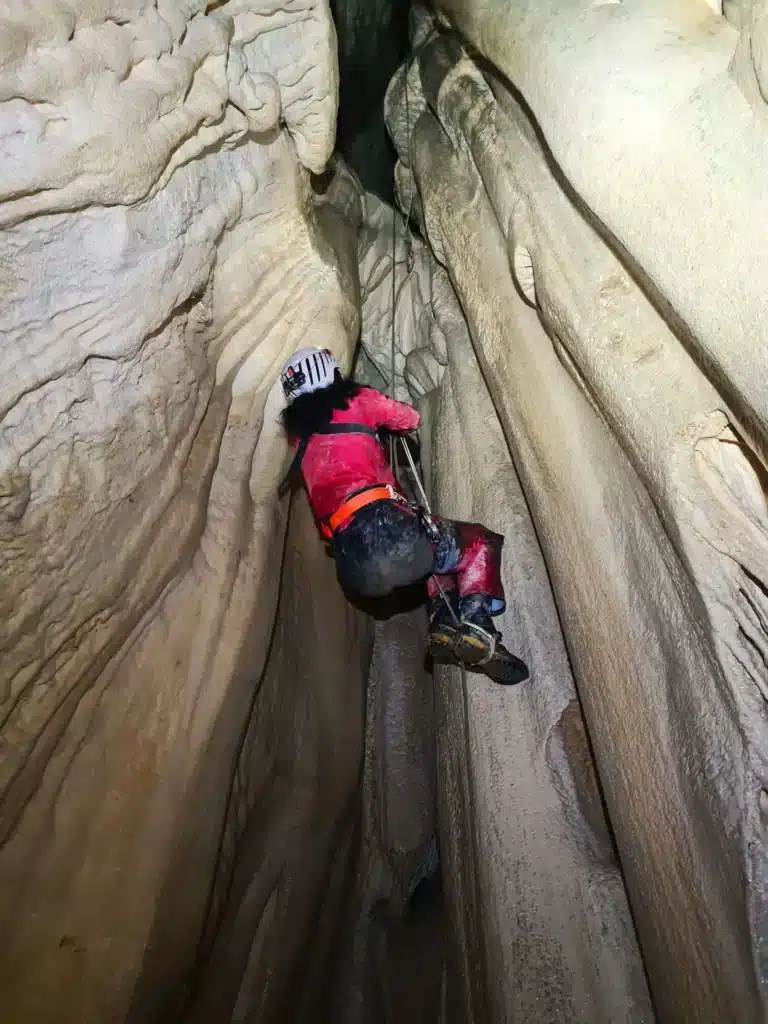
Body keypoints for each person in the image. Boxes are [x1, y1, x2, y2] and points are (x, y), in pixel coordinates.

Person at [278, 346, 530, 685]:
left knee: (431, 560)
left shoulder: (301, 444)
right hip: (390, 530)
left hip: (353, 568)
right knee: (478, 543)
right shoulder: (356, 400)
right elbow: (409, 418)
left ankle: (443, 620)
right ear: (331, 374)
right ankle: (477, 625)